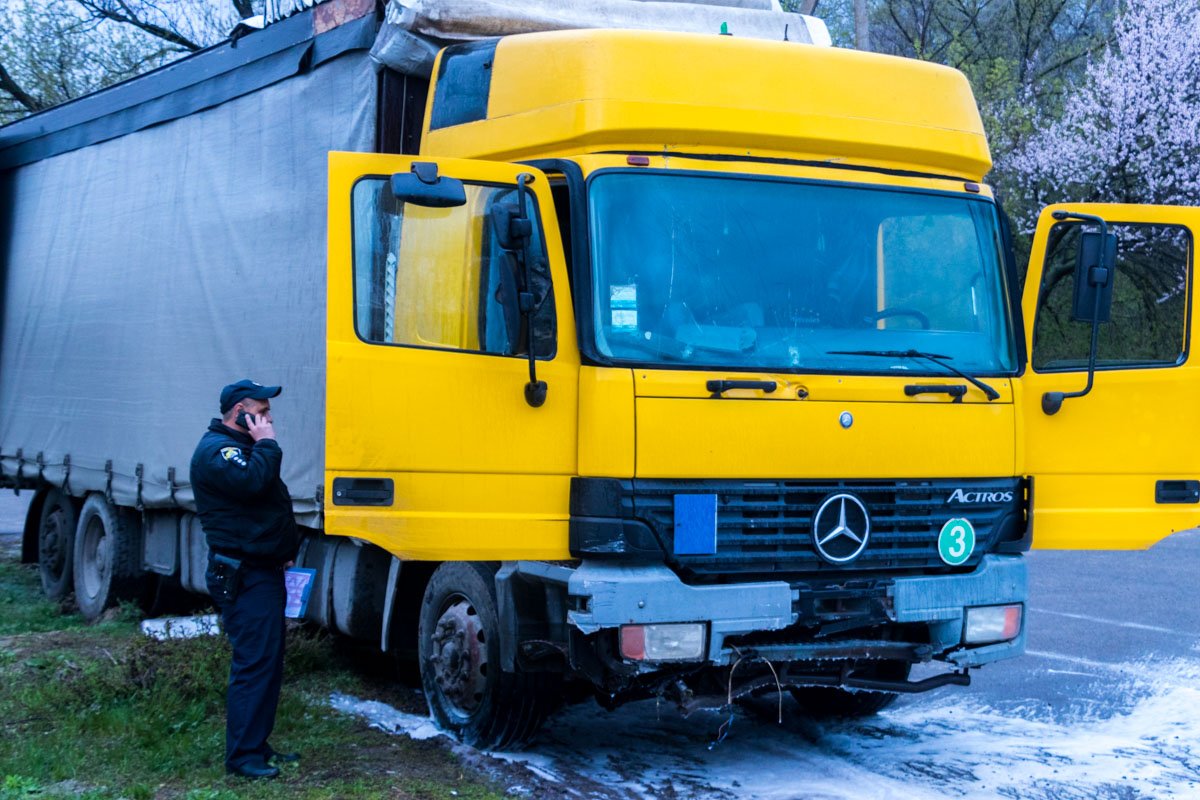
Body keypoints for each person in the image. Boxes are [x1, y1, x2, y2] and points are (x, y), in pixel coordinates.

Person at [190, 379, 302, 779]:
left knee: (268, 664)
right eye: (263, 411)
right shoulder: (218, 452)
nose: (269, 419)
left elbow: (261, 506)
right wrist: (268, 442)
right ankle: (241, 758)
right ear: (240, 412)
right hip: (243, 575)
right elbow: (254, 484)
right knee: (253, 665)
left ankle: (257, 744)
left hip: (262, 571)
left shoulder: (243, 449)